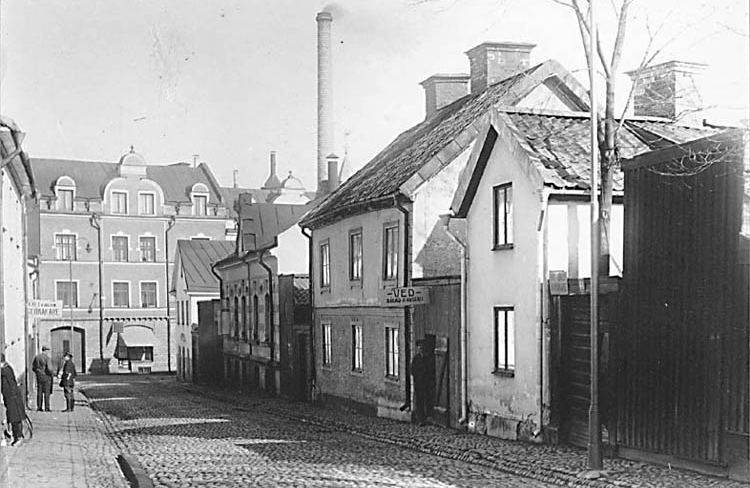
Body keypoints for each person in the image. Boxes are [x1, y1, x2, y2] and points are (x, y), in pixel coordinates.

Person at [1, 354, 26, 446]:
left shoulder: (6, 370)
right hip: (10, 397)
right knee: (13, 418)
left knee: (15, 418)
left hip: (13, 397)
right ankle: (16, 436)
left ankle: (19, 437)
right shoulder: (6, 369)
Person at [410, 340, 430, 426]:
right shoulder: (416, 359)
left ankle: (427, 417)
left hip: (427, 383)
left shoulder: (428, 358)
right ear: (418, 348)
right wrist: (418, 377)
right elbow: (412, 370)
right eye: (419, 347)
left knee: (427, 400)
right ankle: (421, 419)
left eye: (422, 347)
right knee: (420, 401)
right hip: (419, 384)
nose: (421, 349)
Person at [32, 345, 54, 412]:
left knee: (39, 392)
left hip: (39, 376)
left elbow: (33, 367)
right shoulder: (47, 358)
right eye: (48, 350)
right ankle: (47, 408)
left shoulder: (37, 357)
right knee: (47, 392)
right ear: (46, 350)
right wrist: (51, 374)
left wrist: (37, 372)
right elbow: (50, 368)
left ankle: (39, 407)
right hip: (46, 376)